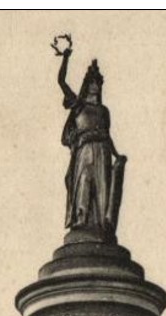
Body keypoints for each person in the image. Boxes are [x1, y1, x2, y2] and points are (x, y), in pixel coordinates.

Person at [56, 45, 126, 235]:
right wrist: (66, 58)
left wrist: (116, 155)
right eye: (93, 82)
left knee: (102, 186)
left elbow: (107, 134)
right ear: (87, 84)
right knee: (84, 183)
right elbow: (61, 82)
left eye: (99, 83)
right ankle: (80, 219)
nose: (96, 86)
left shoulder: (104, 112)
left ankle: (102, 224)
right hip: (84, 151)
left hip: (102, 150)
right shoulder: (79, 106)